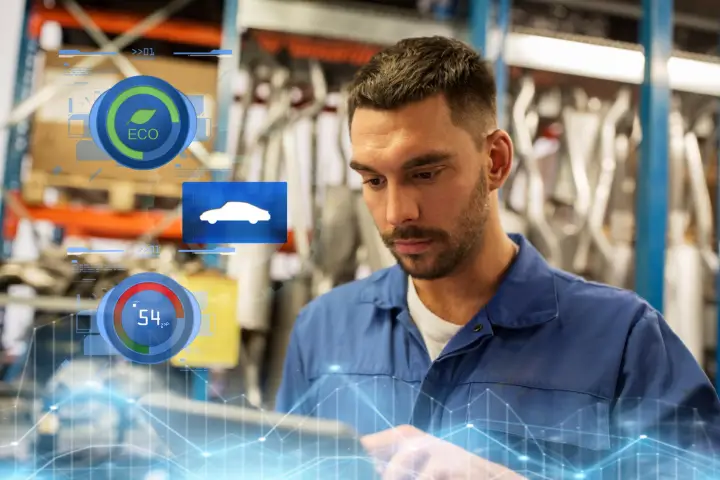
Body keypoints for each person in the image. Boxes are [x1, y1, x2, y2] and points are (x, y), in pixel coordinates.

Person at [276, 36, 720, 479]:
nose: (397, 213)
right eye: (374, 181)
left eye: (425, 173)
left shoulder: (624, 342)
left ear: (496, 161)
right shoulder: (323, 331)